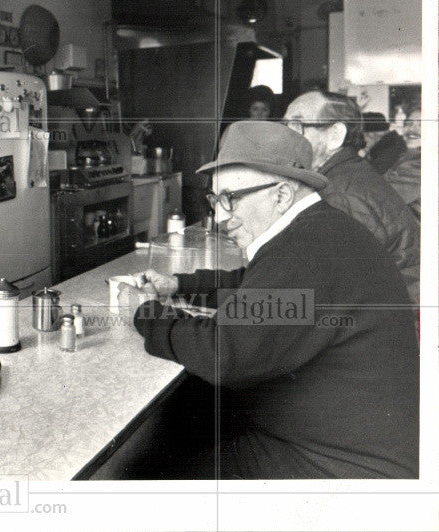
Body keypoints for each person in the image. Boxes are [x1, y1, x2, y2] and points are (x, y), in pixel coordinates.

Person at [126, 121, 419, 479]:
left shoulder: (303, 250)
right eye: (214, 200)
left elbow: (222, 353)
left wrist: (145, 313)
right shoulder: (320, 229)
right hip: (350, 446)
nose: (220, 216)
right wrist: (180, 284)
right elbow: (258, 287)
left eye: (230, 199)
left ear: (281, 195)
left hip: (337, 468)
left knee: (147, 474)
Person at [282, 90, 419, 302]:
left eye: (298, 126)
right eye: (285, 125)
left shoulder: (338, 196)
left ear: (335, 135)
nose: (286, 136)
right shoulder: (346, 174)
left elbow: (333, 293)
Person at [385, 107, 421, 219]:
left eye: (421, 125)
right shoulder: (408, 154)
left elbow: (384, 199)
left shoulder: (420, 164)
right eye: (409, 123)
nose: (412, 129)